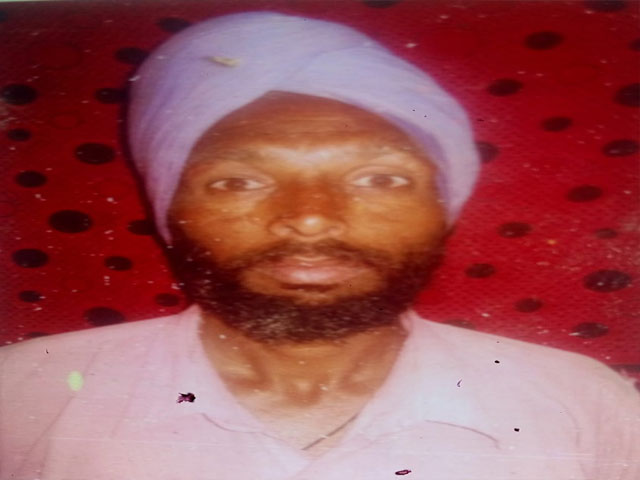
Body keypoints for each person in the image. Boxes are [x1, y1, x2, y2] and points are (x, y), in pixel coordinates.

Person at [1, 11, 638, 480]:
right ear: (168, 207)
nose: (309, 220)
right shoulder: (25, 394)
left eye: (380, 179)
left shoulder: (576, 401)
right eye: (239, 181)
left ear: (443, 211)